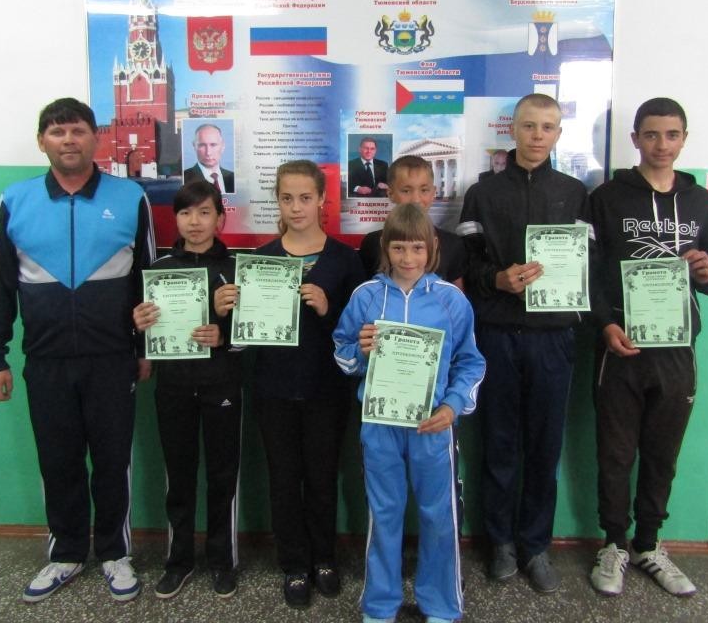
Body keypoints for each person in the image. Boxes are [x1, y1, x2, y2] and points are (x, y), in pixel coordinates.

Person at [0, 97, 155, 603]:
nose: (68, 140)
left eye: (77, 130)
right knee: (59, 460)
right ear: (42, 142)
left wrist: (146, 348)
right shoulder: (15, 200)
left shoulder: (131, 197)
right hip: (46, 360)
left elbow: (148, 280)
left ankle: (115, 552)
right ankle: (66, 553)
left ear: (96, 138)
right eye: (57, 132)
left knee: (113, 460)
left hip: (113, 359)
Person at [587, 98, 708, 597]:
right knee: (615, 452)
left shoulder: (701, 202)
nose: (661, 145)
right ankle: (614, 544)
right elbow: (588, 270)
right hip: (620, 345)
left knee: (662, 453)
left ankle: (649, 543)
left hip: (676, 349)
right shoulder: (606, 198)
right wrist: (605, 325)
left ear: (684, 139)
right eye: (651, 134)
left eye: (671, 135)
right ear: (635, 139)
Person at [216, 160, 365, 608]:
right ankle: (294, 564)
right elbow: (241, 338)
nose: (296, 207)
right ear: (277, 202)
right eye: (286, 198)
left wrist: (328, 309)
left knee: (322, 477)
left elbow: (362, 333)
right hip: (274, 388)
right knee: (283, 479)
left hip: (326, 390)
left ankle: (324, 559)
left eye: (305, 198)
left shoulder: (345, 260)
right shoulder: (260, 261)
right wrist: (227, 312)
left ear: (321, 200)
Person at [456, 93, 589, 592]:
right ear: (512, 129)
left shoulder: (575, 194)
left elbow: (588, 262)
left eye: (547, 127)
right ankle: (499, 543)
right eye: (529, 126)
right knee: (499, 443)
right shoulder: (482, 192)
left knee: (544, 446)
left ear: (558, 134)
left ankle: (535, 546)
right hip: (497, 334)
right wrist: (496, 279)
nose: (537, 135)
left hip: (553, 337)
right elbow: (465, 261)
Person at [334, 204, 485, 623]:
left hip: (432, 426)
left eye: (417, 248)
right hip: (380, 425)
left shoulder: (451, 300)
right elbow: (342, 352)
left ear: (432, 248)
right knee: (383, 514)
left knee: (439, 516)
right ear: (385, 247)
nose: (407, 257)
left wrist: (452, 406)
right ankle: (380, 604)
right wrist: (360, 351)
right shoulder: (366, 296)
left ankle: (441, 604)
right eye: (398, 247)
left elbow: (471, 362)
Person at [131, 180, 242, 601]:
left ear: (220, 218)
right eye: (185, 213)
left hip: (222, 385)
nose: (194, 222)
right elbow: (143, 331)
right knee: (178, 477)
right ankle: (178, 561)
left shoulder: (235, 268)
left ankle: (222, 561)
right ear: (175, 219)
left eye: (204, 212)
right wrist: (139, 325)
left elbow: (254, 333)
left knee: (222, 476)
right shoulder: (158, 271)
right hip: (173, 386)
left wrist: (225, 336)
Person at [358, 155, 467, 288]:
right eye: (406, 191)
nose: (416, 199)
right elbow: (365, 291)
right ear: (390, 194)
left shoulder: (453, 243)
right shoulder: (372, 243)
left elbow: (457, 294)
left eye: (424, 190)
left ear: (433, 193)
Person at [183, 123, 235, 193]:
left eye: (213, 145)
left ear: (222, 146)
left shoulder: (233, 178)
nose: (208, 152)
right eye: (202, 145)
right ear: (194, 146)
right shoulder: (184, 178)